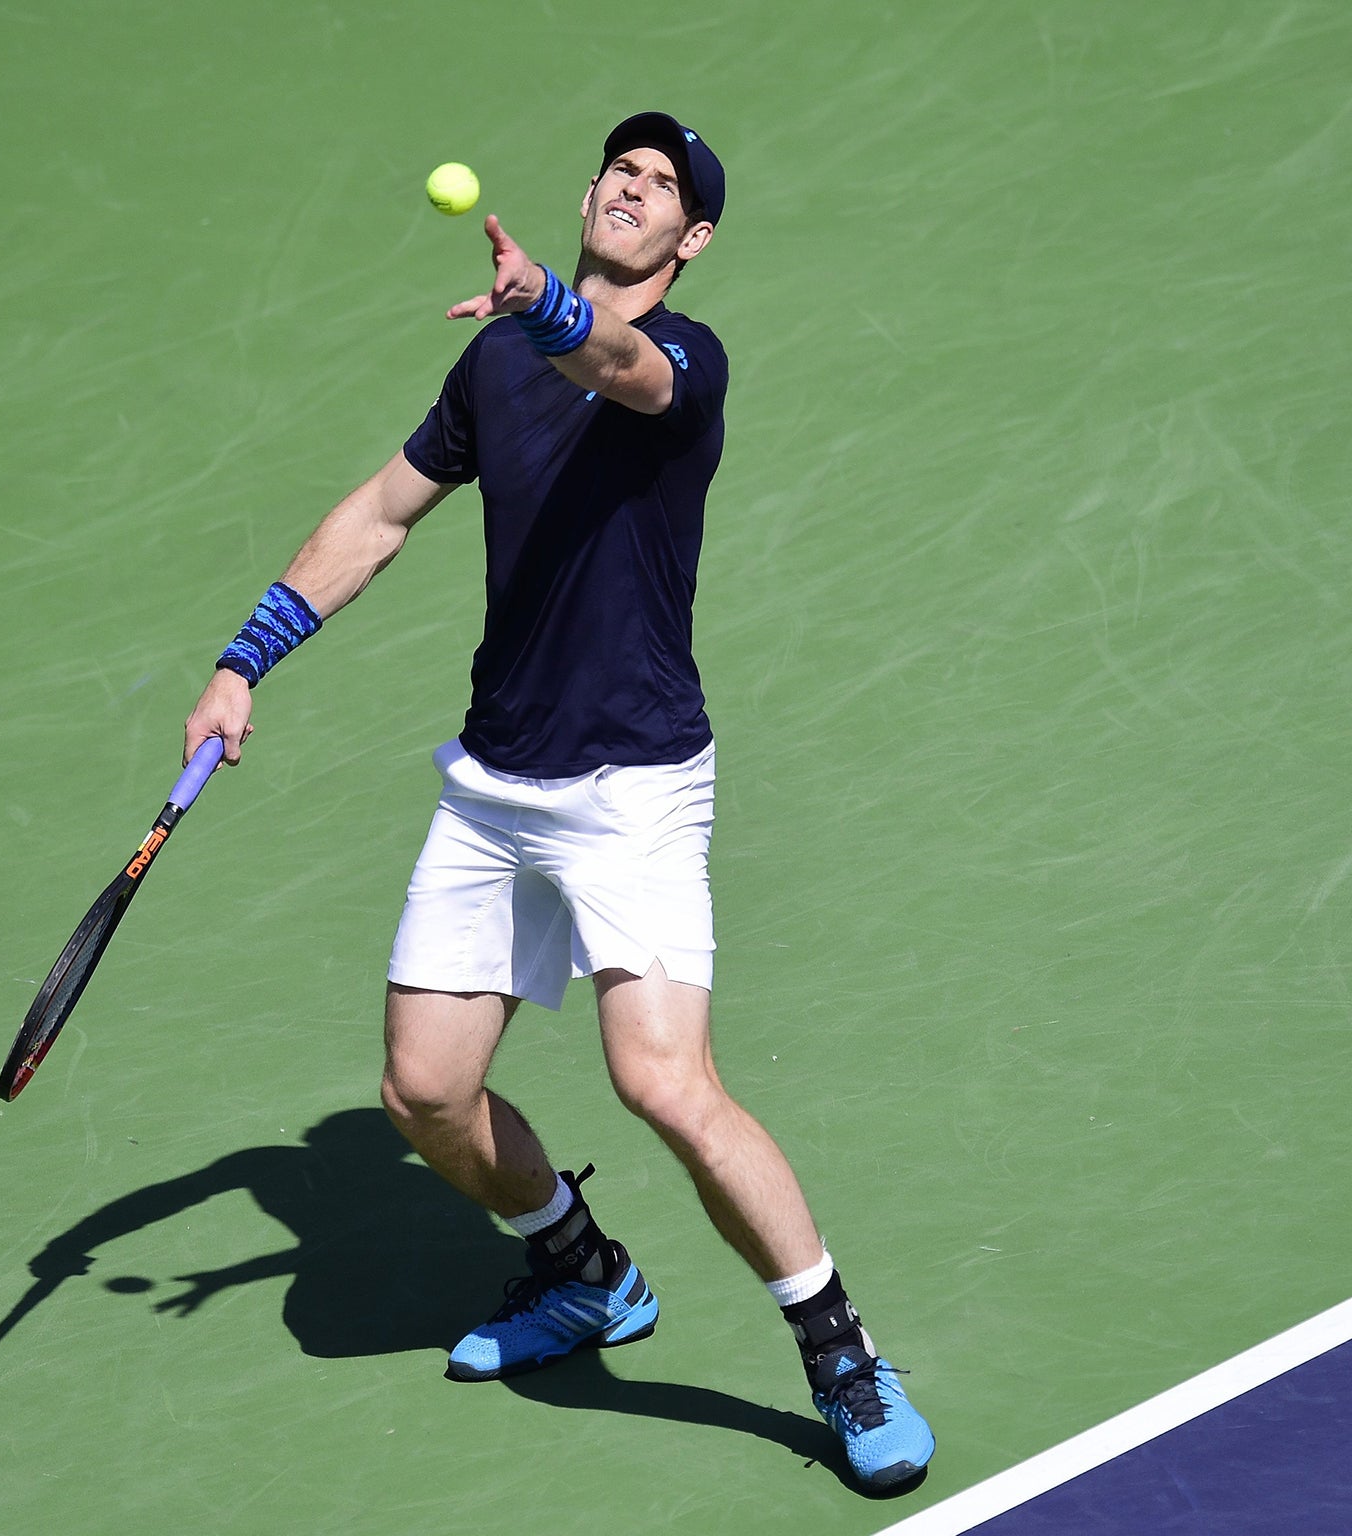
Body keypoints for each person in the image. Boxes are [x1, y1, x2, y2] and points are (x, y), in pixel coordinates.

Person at [181, 112, 935, 1493]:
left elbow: (624, 366)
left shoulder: (683, 361)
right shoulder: (491, 363)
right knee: (423, 1096)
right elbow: (381, 515)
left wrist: (547, 304)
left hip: (632, 786)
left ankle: (840, 1349)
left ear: (691, 239)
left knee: (661, 1080)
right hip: (495, 782)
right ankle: (584, 1271)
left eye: (662, 187)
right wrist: (247, 657)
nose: (630, 188)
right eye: (620, 171)